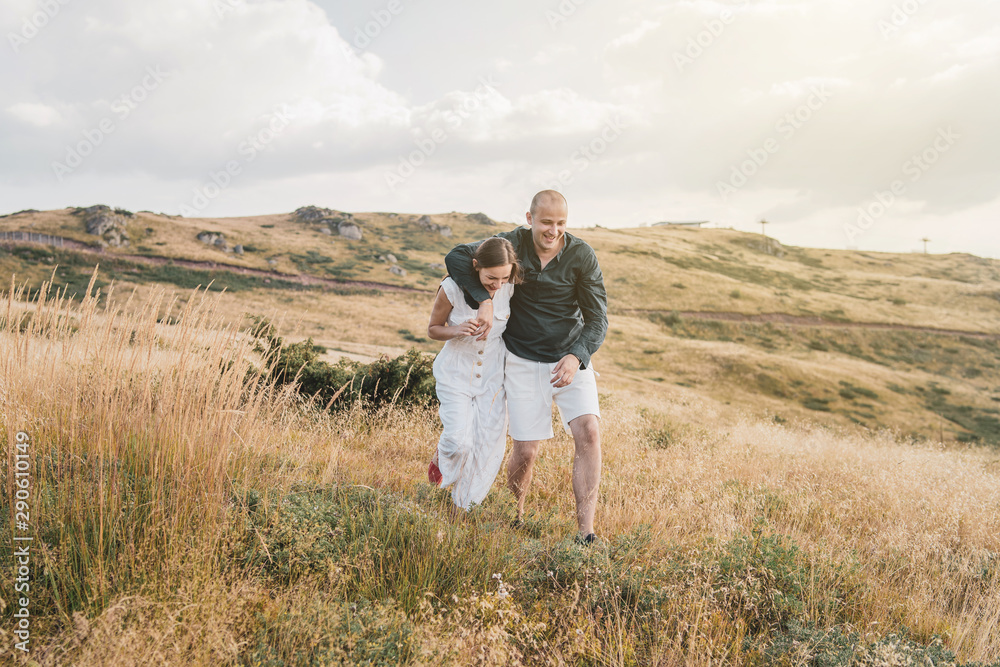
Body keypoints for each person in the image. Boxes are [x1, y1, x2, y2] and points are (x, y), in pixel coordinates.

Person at [444, 190, 608, 543]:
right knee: (526, 450)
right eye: (547, 222)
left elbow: (598, 320)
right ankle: (515, 514)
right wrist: (484, 299)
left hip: (570, 358)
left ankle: (586, 533)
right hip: (520, 358)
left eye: (561, 223)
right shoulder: (511, 243)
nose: (554, 231)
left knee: (590, 433)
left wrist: (577, 355)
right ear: (530, 218)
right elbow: (457, 255)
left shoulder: (582, 255)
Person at [427, 237, 521, 513]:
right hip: (455, 372)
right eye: (492, 277)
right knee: (459, 442)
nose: (497, 285)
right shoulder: (451, 288)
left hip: (493, 376)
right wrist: (456, 330)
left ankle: (462, 508)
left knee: (487, 447)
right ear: (475, 266)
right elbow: (433, 329)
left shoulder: (509, 288)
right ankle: (442, 461)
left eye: (504, 278)